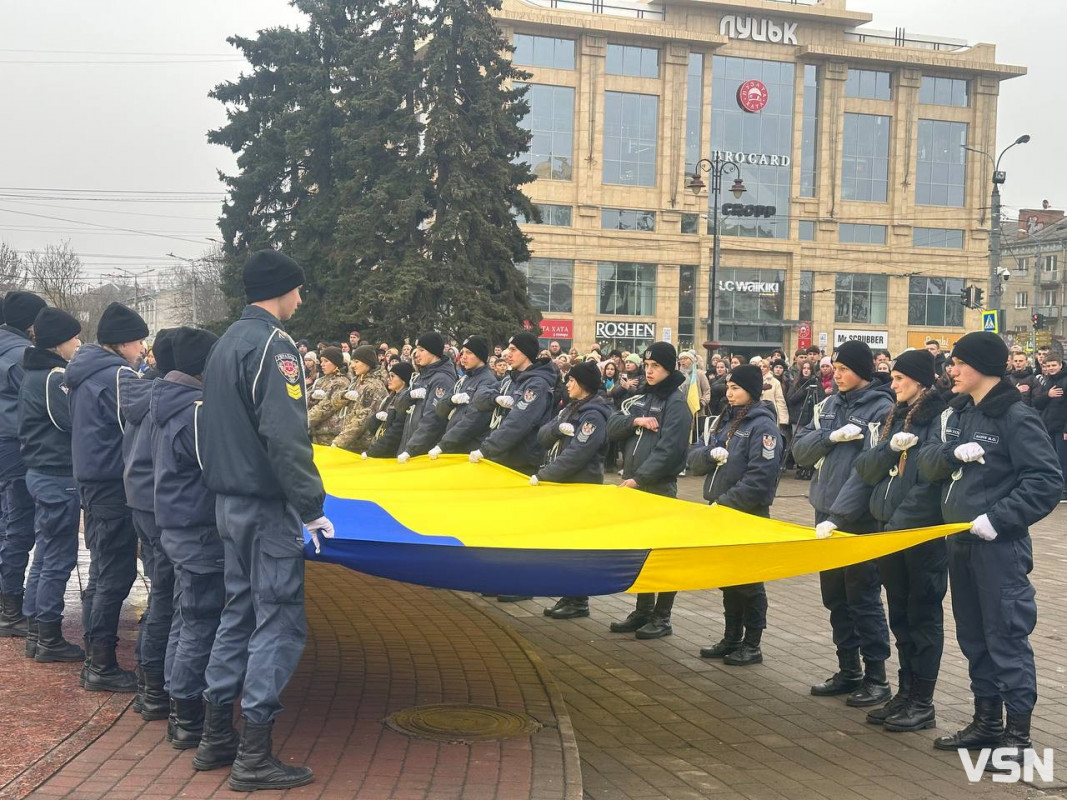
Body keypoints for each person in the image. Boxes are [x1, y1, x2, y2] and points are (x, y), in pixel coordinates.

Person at [197, 250, 332, 790]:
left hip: (226, 503)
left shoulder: (225, 343)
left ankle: (214, 738)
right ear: (281, 289)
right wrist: (312, 506)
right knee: (277, 620)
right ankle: (253, 757)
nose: (301, 299)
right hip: (263, 507)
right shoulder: (275, 348)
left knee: (237, 613)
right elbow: (285, 436)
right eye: (298, 290)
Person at [917, 332, 1062, 770]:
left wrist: (998, 519)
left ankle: (1018, 734)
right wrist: (949, 453)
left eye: (959, 363)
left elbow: (1046, 481)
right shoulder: (962, 412)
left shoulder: (1014, 415)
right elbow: (929, 464)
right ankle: (987, 721)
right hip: (961, 542)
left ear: (982, 366)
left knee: (1006, 637)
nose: (951, 370)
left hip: (998, 547)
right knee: (974, 636)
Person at [832, 349, 948, 732]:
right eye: (892, 377)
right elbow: (866, 468)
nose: (892, 384)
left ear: (920, 381)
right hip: (889, 533)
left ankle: (922, 701)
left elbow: (929, 483)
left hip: (917, 536)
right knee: (900, 616)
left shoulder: (936, 417)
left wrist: (896, 523)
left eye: (899, 379)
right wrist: (888, 447)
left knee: (922, 618)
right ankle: (904, 692)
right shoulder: (895, 415)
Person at [792, 340, 894, 706]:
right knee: (835, 597)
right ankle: (849, 670)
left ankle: (877, 677)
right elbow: (799, 451)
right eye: (834, 368)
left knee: (863, 596)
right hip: (825, 514)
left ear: (863, 372)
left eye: (844, 369)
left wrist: (841, 516)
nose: (836, 374)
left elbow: (870, 470)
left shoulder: (883, 409)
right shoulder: (827, 405)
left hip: (858, 519)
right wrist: (829, 436)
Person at [152, 327, 223, 750]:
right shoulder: (196, 410)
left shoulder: (168, 400)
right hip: (197, 529)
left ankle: (178, 706)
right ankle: (189, 717)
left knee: (185, 617)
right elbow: (215, 470)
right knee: (199, 621)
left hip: (178, 525)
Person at [687, 364, 781, 666]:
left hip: (746, 513)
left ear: (751, 391)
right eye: (728, 387)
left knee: (750, 582)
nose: (729, 392)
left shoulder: (762, 426)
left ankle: (752, 644)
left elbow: (760, 476)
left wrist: (726, 502)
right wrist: (707, 455)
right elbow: (695, 456)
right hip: (722, 512)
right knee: (729, 579)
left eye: (736, 388)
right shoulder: (724, 421)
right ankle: (731, 637)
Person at [607, 342, 692, 639]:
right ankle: (643, 610)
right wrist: (636, 421)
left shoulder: (677, 403)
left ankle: (662, 616)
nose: (649, 370)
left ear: (669, 368)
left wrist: (639, 478)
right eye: (647, 365)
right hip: (636, 484)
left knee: (663, 553)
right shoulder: (643, 397)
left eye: (655, 366)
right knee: (641, 550)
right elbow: (613, 426)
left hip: (656, 487)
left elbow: (670, 451)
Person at [15, 306, 85, 662]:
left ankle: (35, 630)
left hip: (42, 473)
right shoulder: (53, 377)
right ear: (59, 342)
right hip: (57, 475)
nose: (78, 342)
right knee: (58, 557)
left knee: (44, 554)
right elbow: (74, 422)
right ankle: (49, 636)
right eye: (74, 337)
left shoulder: (35, 373)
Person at [120, 327, 178, 719]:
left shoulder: (144, 394)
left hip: (142, 502)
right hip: (160, 510)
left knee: (160, 594)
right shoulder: (172, 403)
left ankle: (148, 684)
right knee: (166, 598)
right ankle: (156, 688)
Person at [533, 361, 612, 620]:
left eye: (571, 381)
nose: (567, 384)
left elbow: (579, 453)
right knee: (565, 545)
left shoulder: (593, 414)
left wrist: (544, 476)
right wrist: (557, 428)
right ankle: (569, 595)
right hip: (564, 485)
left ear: (582, 384)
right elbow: (543, 435)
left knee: (577, 547)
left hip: (581, 485)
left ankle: (578, 600)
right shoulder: (570, 408)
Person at [0, 290, 47, 638]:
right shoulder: (20, 356)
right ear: (31, 324)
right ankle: (11, 606)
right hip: (14, 446)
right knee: (17, 525)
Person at [471, 331, 557, 476]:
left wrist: (486, 449)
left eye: (513, 350)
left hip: (520, 462)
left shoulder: (536, 384)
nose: (507, 354)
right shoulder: (513, 379)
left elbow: (519, 422)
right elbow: (479, 397)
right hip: (504, 457)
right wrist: (495, 399)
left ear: (526, 352)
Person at [430, 335, 498, 457]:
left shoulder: (488, 381)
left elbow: (473, 421)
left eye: (469, 352)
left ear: (480, 355)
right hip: (454, 446)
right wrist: (451, 400)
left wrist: (443, 444)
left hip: (468, 451)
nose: (463, 357)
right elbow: (440, 409)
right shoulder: (465, 379)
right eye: (462, 353)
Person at [396, 332, 457, 463]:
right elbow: (399, 407)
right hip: (409, 446)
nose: (416, 354)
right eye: (416, 349)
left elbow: (433, 419)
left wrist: (410, 450)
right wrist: (409, 396)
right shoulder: (421, 376)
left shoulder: (442, 379)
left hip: (423, 453)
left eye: (421, 350)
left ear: (433, 352)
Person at [330, 345, 388, 453]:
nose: (352, 365)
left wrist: (338, 442)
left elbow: (362, 418)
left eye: (357, 362)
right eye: (352, 361)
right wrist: (343, 395)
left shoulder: (372, 386)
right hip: (351, 442)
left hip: (361, 446)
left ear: (368, 363)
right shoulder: (357, 381)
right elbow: (333, 403)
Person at [1032, 351, 1067, 497]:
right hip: (1049, 427)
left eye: (1054, 365)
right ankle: (1057, 487)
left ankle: (1064, 488)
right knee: (1052, 459)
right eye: (1048, 366)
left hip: (1062, 429)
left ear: (1060, 365)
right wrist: (1048, 395)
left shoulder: (1065, 380)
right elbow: (1037, 403)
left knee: (1063, 459)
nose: (1051, 368)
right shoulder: (1047, 381)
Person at [365, 363, 413, 459]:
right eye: (389, 376)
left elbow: (395, 432)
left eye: (393, 376)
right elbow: (373, 428)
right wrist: (375, 419)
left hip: (391, 453)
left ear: (403, 380)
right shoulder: (389, 398)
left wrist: (372, 452)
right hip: (381, 447)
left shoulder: (405, 399)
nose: (389, 379)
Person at [306, 347, 350, 445]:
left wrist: (302, 421)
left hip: (328, 435)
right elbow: (306, 396)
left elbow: (326, 407)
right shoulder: (322, 380)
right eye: (321, 361)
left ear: (335, 363)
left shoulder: (341, 382)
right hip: (315, 432)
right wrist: (312, 397)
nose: (322, 364)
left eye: (326, 361)